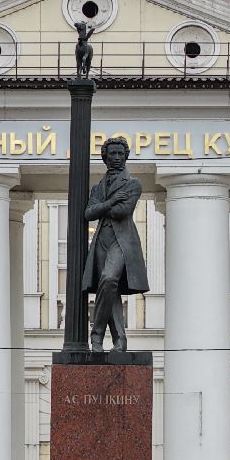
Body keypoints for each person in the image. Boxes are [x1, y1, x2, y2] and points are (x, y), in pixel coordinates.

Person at [83, 136, 149, 352]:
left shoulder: (133, 184)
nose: (118, 158)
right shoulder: (98, 187)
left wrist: (103, 206)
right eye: (113, 153)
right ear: (105, 157)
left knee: (109, 279)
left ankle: (96, 334)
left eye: (121, 154)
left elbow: (123, 211)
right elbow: (89, 213)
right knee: (108, 287)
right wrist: (111, 201)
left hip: (122, 241)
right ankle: (119, 340)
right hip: (102, 239)